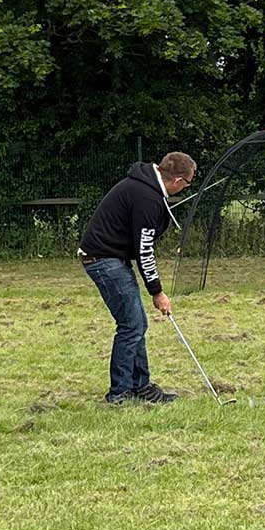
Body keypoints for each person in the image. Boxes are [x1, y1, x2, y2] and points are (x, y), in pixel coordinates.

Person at [78, 151, 197, 404]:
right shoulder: (146, 197)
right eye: (187, 184)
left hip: (110, 258)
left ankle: (140, 386)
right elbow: (145, 250)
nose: (185, 189)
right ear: (177, 181)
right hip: (103, 259)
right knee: (131, 326)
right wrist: (157, 291)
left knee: (136, 324)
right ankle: (120, 392)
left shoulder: (147, 187)